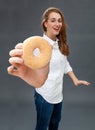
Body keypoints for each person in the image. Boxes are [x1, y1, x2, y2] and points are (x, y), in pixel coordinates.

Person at [7, 7, 90, 130]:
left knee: (54, 125)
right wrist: (19, 65)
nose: (57, 24)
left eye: (59, 20)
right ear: (45, 23)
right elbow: (28, 66)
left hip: (58, 96)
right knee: (42, 127)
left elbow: (65, 64)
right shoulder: (36, 46)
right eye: (53, 20)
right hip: (44, 96)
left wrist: (75, 79)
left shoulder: (60, 44)